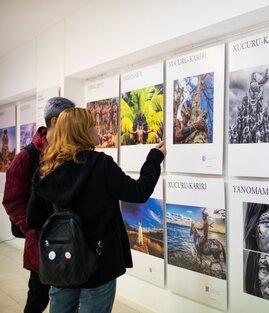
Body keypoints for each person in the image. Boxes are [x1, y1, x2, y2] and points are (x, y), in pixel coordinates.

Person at [26, 107, 166, 313]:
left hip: (62, 263)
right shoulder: (101, 165)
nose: (97, 130)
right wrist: (154, 158)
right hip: (99, 264)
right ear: (82, 132)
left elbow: (34, 219)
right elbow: (139, 192)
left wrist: (63, 231)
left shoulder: (45, 170)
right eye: (92, 126)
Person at [2, 96, 75, 313]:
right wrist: (34, 230)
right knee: (37, 298)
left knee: (68, 300)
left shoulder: (70, 151)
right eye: (69, 118)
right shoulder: (27, 156)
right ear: (55, 121)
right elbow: (12, 200)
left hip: (71, 243)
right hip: (42, 245)